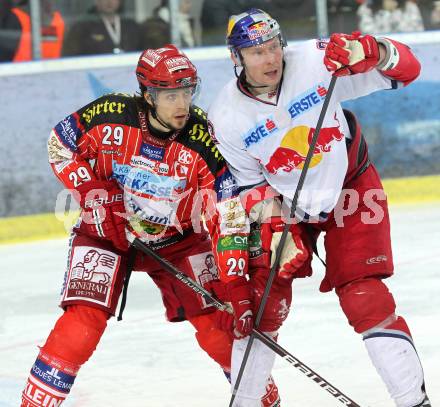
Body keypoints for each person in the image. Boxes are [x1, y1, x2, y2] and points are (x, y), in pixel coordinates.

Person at [20, 45, 280, 406]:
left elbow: (228, 212)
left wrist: (235, 287)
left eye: (187, 92)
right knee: (82, 324)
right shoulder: (109, 114)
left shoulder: (204, 138)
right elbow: (60, 144)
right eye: (171, 95)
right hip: (105, 233)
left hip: (181, 241)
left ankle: (265, 400)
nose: (182, 105)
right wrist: (91, 190)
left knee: (219, 331)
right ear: (147, 94)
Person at [207, 8, 431, 407]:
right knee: (262, 308)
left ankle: (414, 402)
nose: (271, 58)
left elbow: (409, 69)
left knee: (365, 296)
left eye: (274, 46)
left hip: (351, 187)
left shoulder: (315, 60)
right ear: (236, 59)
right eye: (256, 52)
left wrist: (375, 50)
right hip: (287, 206)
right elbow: (250, 187)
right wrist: (282, 228)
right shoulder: (226, 115)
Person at [62, 0, 141, 56]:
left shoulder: (132, 26)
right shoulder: (82, 27)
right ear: (96, 1)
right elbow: (70, 56)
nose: (109, 2)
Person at [357, 0, 425, 33]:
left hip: (406, 49)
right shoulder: (366, 8)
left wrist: (394, 13)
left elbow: (417, 32)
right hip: (379, 51)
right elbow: (368, 34)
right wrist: (387, 13)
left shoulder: (410, 6)